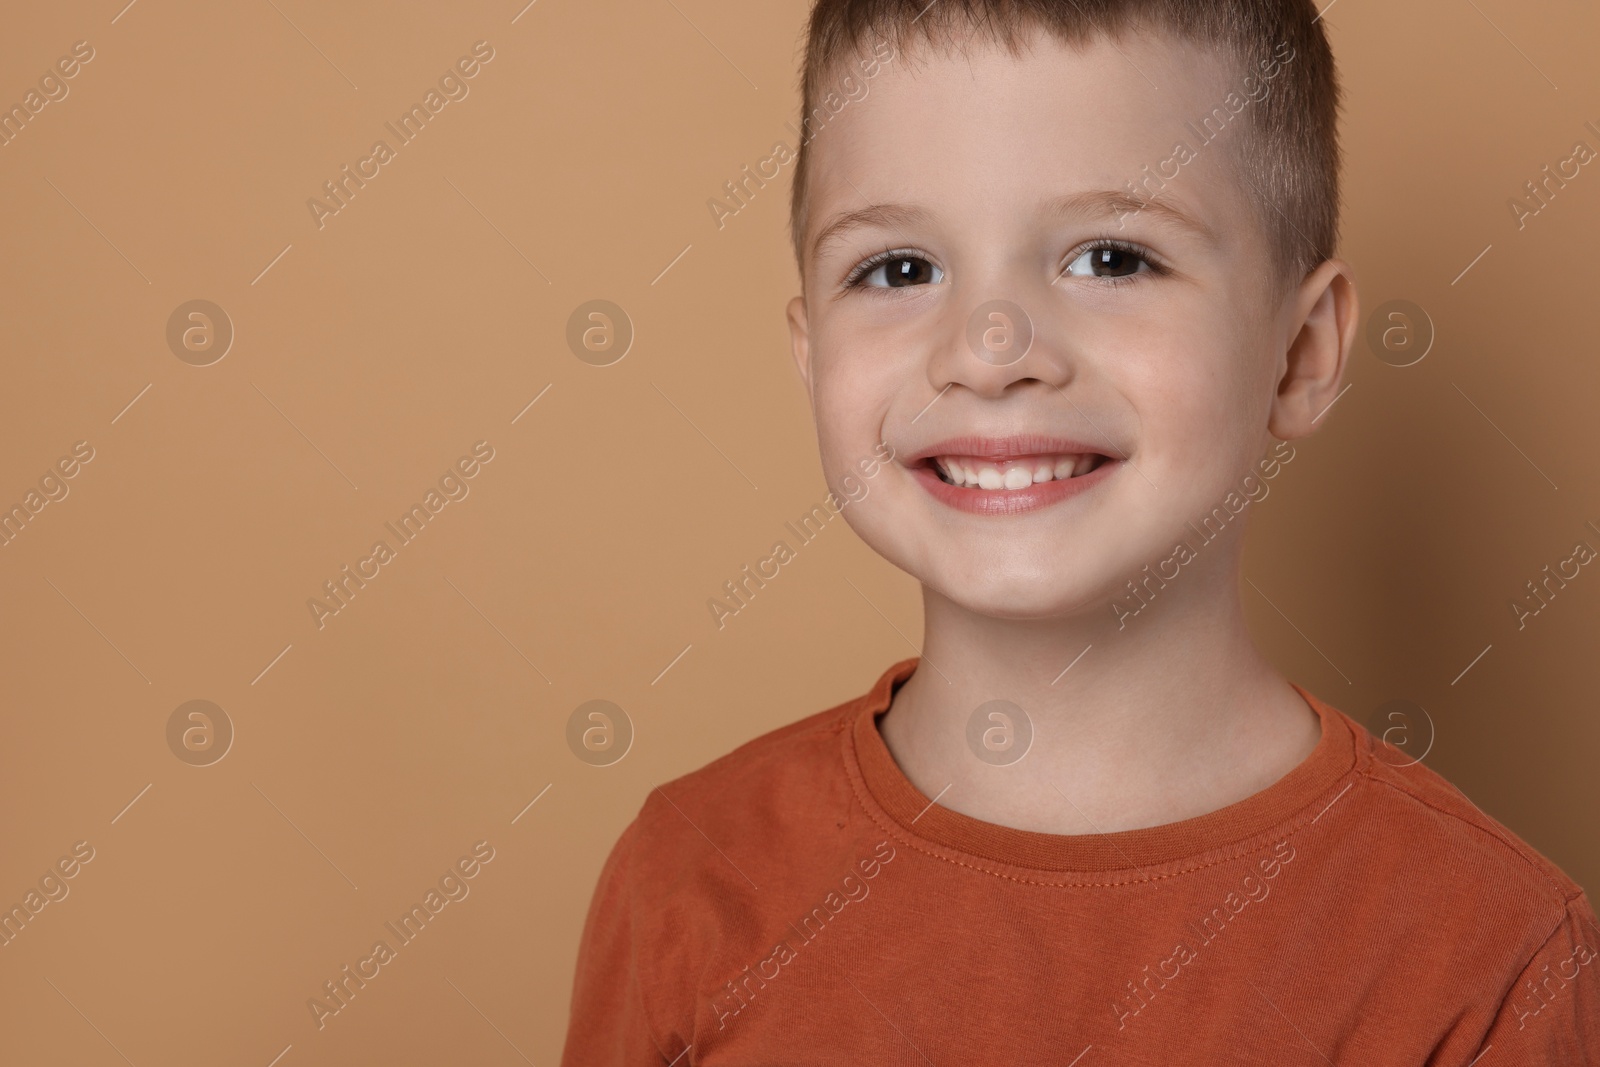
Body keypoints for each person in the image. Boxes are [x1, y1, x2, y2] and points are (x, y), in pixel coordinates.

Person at [562, 1, 1600, 1061]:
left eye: (1110, 258)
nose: (990, 348)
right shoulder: (686, 877)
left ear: (1298, 354)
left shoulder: (1494, 958)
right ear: (810, 349)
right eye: (899, 269)